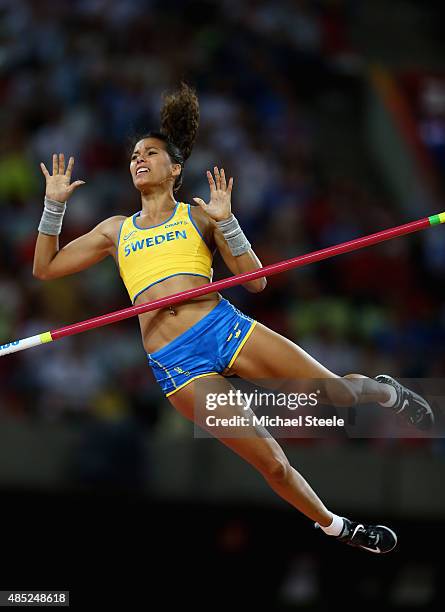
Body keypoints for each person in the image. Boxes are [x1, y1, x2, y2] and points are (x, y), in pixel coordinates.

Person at [33, 82, 434, 554]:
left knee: (337, 394)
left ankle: (385, 390)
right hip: (178, 364)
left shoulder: (199, 217)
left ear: (175, 168)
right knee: (273, 464)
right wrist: (54, 204)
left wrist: (226, 221)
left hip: (224, 328)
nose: (138, 159)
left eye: (151, 153)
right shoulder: (113, 230)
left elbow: (256, 282)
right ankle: (338, 528)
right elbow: (46, 267)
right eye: (134, 155)